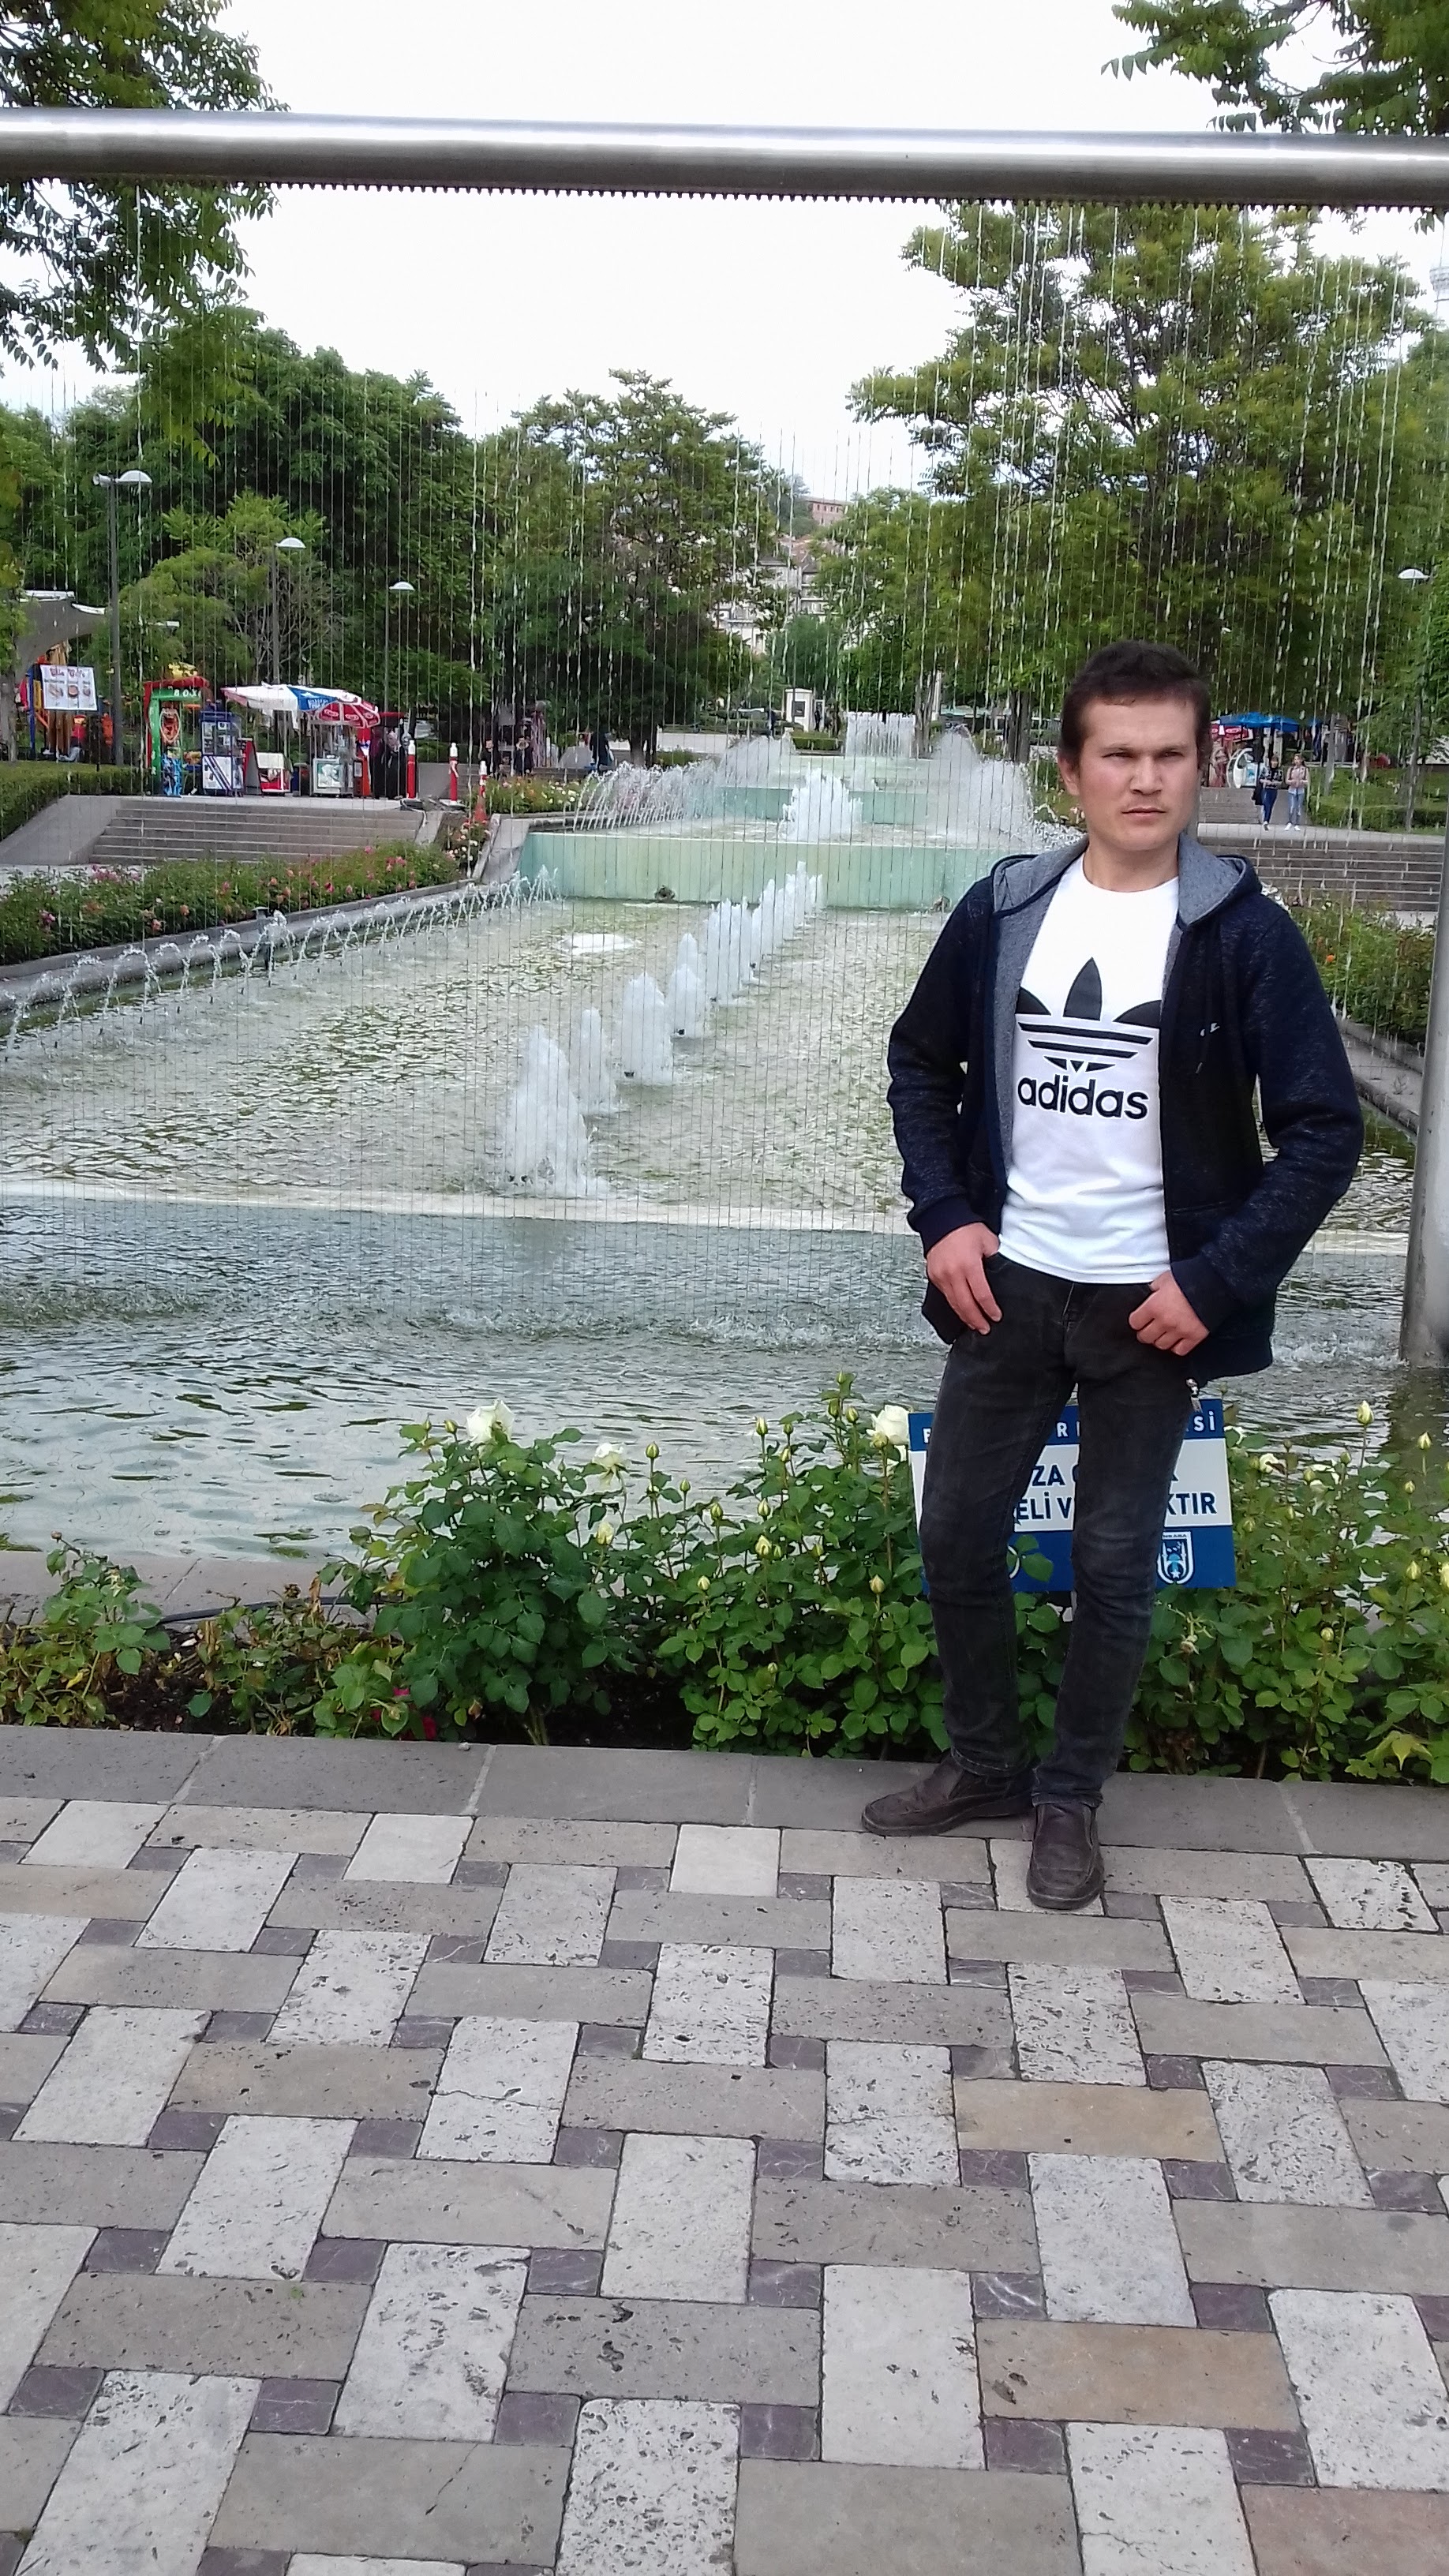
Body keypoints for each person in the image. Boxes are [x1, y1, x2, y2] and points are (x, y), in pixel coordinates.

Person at [863, 640, 1361, 1906]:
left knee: (1116, 1562)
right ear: (1072, 770)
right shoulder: (1006, 909)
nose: (1145, 780)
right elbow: (920, 1064)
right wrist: (945, 1217)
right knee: (955, 1534)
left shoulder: (1245, 935)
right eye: (1120, 755)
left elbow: (1324, 1131)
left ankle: (1070, 1798)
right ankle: (987, 1765)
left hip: (1154, 1310)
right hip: (1008, 1287)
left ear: (1201, 768)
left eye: (1169, 756)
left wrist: (1217, 1280)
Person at [1286, 750, 1309, 827]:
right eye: (1295, 759)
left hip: (1300, 790)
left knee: (1299, 807)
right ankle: (1290, 821)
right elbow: (1287, 780)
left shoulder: (1305, 770)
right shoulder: (1291, 769)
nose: (1296, 761)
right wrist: (1292, 782)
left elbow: (1307, 781)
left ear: (1301, 760)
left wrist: (1302, 782)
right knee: (1291, 807)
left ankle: (1297, 823)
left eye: (1298, 759)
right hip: (1292, 790)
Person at [1260, 755, 1282, 826]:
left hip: (1274, 790)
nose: (1274, 763)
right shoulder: (1266, 769)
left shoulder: (1279, 771)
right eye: (1273, 761)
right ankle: (1265, 819)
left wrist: (1275, 783)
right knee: (1267, 804)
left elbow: (1281, 782)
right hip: (1266, 789)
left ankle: (1267, 821)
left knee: (1271, 806)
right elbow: (1260, 779)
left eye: (1276, 761)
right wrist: (1266, 782)